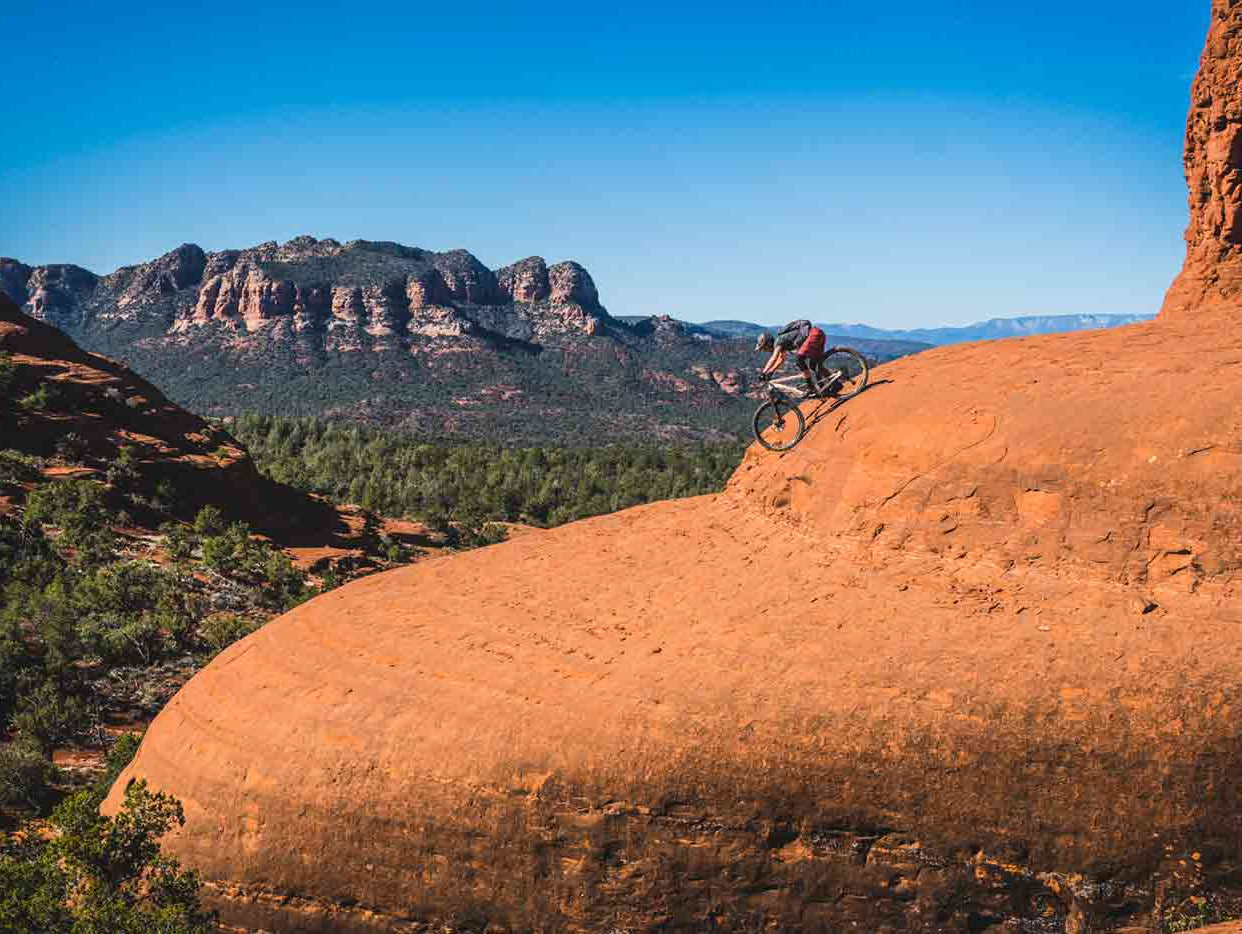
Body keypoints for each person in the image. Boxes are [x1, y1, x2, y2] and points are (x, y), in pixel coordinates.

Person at [755, 319, 827, 394]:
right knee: (813, 365)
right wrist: (770, 372)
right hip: (817, 334)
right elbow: (781, 359)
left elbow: (774, 357)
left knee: (799, 360)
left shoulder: (778, 341)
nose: (765, 350)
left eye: (764, 348)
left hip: (813, 335)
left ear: (768, 343)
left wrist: (763, 372)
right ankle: (831, 384)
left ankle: (811, 387)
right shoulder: (782, 344)